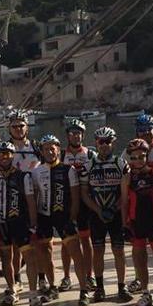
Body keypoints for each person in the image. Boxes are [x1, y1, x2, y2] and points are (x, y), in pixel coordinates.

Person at [31, 134, 84, 306]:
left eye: (52, 148)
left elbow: (75, 198)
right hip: (44, 216)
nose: (49, 151)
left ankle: (84, 290)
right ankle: (52, 286)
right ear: (42, 151)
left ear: (58, 150)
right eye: (46, 148)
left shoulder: (69, 170)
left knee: (76, 252)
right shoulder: (37, 171)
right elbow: (35, 196)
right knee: (45, 252)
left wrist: (73, 218)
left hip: (64, 216)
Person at [80, 126, 131, 302]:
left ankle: (121, 287)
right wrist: (98, 210)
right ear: (96, 143)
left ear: (113, 143)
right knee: (98, 250)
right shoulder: (88, 165)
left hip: (115, 213)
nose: (104, 145)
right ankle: (99, 288)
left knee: (118, 250)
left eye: (108, 142)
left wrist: (115, 209)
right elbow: (84, 193)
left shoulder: (121, 163)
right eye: (101, 142)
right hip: (96, 214)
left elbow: (125, 193)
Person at [0, 141, 38, 306]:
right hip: (1, 225)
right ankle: (12, 289)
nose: (4, 157)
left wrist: (33, 226)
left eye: (8, 154)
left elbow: (31, 203)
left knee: (29, 258)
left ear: (13, 156)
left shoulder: (24, 177)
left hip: (20, 223)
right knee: (6, 258)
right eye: (1, 154)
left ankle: (33, 294)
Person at [120, 139, 153, 306]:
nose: (138, 160)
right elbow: (124, 203)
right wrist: (124, 225)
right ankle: (145, 292)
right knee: (139, 258)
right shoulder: (127, 178)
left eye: (141, 157)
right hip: (136, 223)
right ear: (129, 159)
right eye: (134, 158)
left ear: (147, 156)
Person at [62, 117, 96, 293]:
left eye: (79, 133)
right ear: (67, 135)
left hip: (85, 202)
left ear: (83, 135)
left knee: (85, 239)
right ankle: (66, 276)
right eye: (72, 133)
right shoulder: (61, 154)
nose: (76, 136)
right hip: (65, 202)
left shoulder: (90, 154)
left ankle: (88, 276)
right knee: (66, 241)